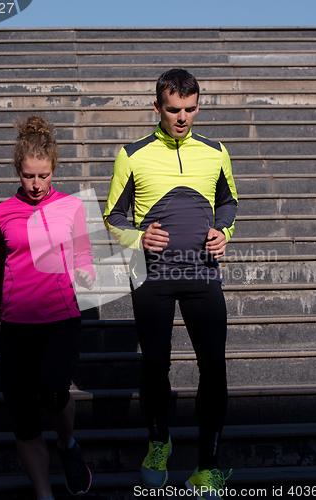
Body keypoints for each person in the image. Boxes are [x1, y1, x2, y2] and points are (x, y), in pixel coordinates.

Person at [103, 68, 238, 499]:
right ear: (157, 106)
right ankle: (159, 441)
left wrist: (223, 233)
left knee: (213, 369)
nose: (182, 118)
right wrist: (140, 237)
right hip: (153, 277)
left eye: (191, 109)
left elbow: (229, 201)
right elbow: (112, 217)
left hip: (201, 273)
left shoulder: (216, 151)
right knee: (155, 365)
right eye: (174, 110)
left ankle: (208, 467)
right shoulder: (131, 154)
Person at [0, 115, 95, 500]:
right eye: (29, 176)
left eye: (44, 176)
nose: (36, 185)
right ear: (19, 170)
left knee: (52, 391)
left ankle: (67, 445)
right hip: (17, 323)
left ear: (54, 171)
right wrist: (2, 308)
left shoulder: (72, 207)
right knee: (23, 417)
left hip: (61, 318)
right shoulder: (1, 213)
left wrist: (85, 273)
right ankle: (44, 495)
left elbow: (84, 252)